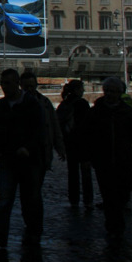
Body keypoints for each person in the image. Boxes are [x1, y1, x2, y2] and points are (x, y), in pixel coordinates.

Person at [0, 69, 46, 249]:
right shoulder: (1, 105)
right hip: (7, 159)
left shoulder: (32, 104)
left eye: (8, 83)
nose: (4, 87)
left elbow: (39, 130)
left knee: (31, 199)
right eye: (3, 83)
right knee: (4, 199)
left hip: (29, 159)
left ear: (17, 83)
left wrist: (28, 148)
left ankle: (34, 232)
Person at [83, 77, 132, 237]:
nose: (110, 94)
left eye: (114, 92)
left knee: (123, 191)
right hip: (103, 161)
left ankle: (116, 220)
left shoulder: (128, 112)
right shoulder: (95, 112)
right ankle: (114, 226)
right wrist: (87, 157)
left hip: (124, 159)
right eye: (108, 91)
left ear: (120, 93)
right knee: (108, 195)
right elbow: (87, 136)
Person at [56, 79, 93, 208]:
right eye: (82, 88)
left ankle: (74, 199)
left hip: (69, 143)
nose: (83, 91)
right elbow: (88, 125)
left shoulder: (64, 104)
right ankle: (88, 200)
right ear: (77, 90)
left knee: (72, 173)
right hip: (83, 144)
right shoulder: (82, 104)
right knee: (86, 174)